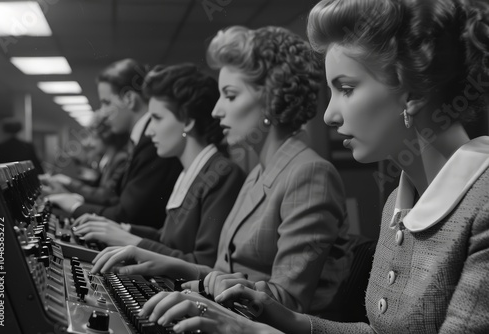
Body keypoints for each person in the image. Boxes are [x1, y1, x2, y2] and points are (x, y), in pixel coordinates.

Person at [134, 0, 489, 333]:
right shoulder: (397, 200)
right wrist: (284, 319)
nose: (329, 115)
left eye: (346, 88)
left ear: (414, 91)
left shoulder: (483, 203)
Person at [91, 26, 352, 316]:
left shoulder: (310, 172)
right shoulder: (257, 172)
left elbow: (288, 303)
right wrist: (162, 262)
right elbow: (222, 271)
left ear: (270, 98)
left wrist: (201, 293)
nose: (216, 110)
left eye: (229, 96)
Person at [70, 63, 245, 268]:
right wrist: (123, 229)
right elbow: (166, 239)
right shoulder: (190, 171)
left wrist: (132, 242)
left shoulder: (222, 174)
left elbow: (205, 263)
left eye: (157, 118)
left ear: (187, 121)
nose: (150, 131)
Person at [49, 59, 182, 228]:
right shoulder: (139, 141)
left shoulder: (152, 142)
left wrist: (74, 205)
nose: (103, 113)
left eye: (106, 103)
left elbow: (128, 213)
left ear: (129, 99)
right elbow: (116, 198)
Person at [42, 108, 130, 206]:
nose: (90, 143)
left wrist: (69, 182)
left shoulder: (120, 158)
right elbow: (96, 188)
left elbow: (105, 195)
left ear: (107, 137)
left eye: (94, 137)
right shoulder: (110, 160)